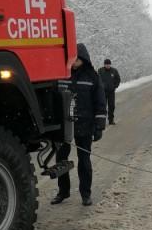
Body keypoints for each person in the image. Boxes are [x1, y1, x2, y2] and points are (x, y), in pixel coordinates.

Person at [52, 43, 106, 206]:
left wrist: (99, 125)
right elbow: (52, 99)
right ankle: (63, 191)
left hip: (85, 125)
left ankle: (86, 194)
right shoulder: (61, 74)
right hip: (64, 127)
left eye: (76, 58)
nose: (73, 61)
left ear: (83, 59)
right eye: (72, 58)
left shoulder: (92, 77)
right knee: (61, 159)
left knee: (84, 160)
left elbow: (100, 102)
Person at [98, 58, 121, 125]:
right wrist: (100, 87)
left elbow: (118, 79)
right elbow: (97, 80)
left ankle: (111, 120)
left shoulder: (114, 71)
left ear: (110, 64)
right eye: (106, 64)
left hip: (111, 92)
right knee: (102, 106)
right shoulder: (100, 71)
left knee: (111, 106)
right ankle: (102, 121)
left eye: (108, 64)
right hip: (103, 92)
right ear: (104, 64)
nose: (107, 65)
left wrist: (115, 86)